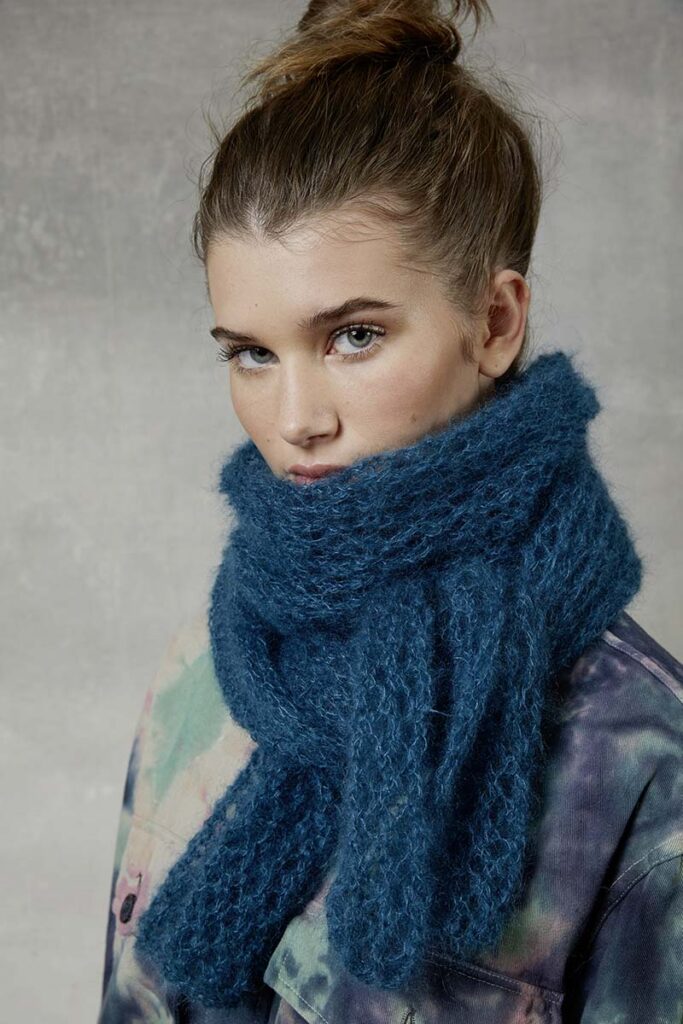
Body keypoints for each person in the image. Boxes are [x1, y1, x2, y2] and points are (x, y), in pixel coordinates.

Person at [96, 1, 683, 1022]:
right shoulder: (213, 661)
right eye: (251, 353)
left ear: (493, 322)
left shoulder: (637, 758)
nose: (295, 418)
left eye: (353, 336)